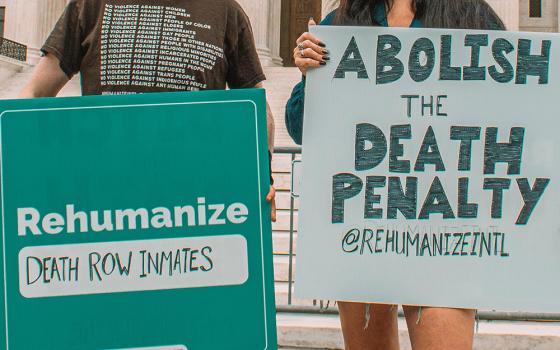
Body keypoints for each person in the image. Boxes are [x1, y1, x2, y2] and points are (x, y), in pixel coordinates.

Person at [285, 0, 505, 349]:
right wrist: (309, 76)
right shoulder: (342, 22)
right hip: (364, 228)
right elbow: (300, 129)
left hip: (442, 232)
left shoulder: (470, 14)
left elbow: (510, 109)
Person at [19, 0, 276, 220]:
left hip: (195, 206)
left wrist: (263, 175)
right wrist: (20, 166)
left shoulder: (226, 10)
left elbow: (256, 107)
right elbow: (34, 94)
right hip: (102, 206)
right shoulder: (90, 5)